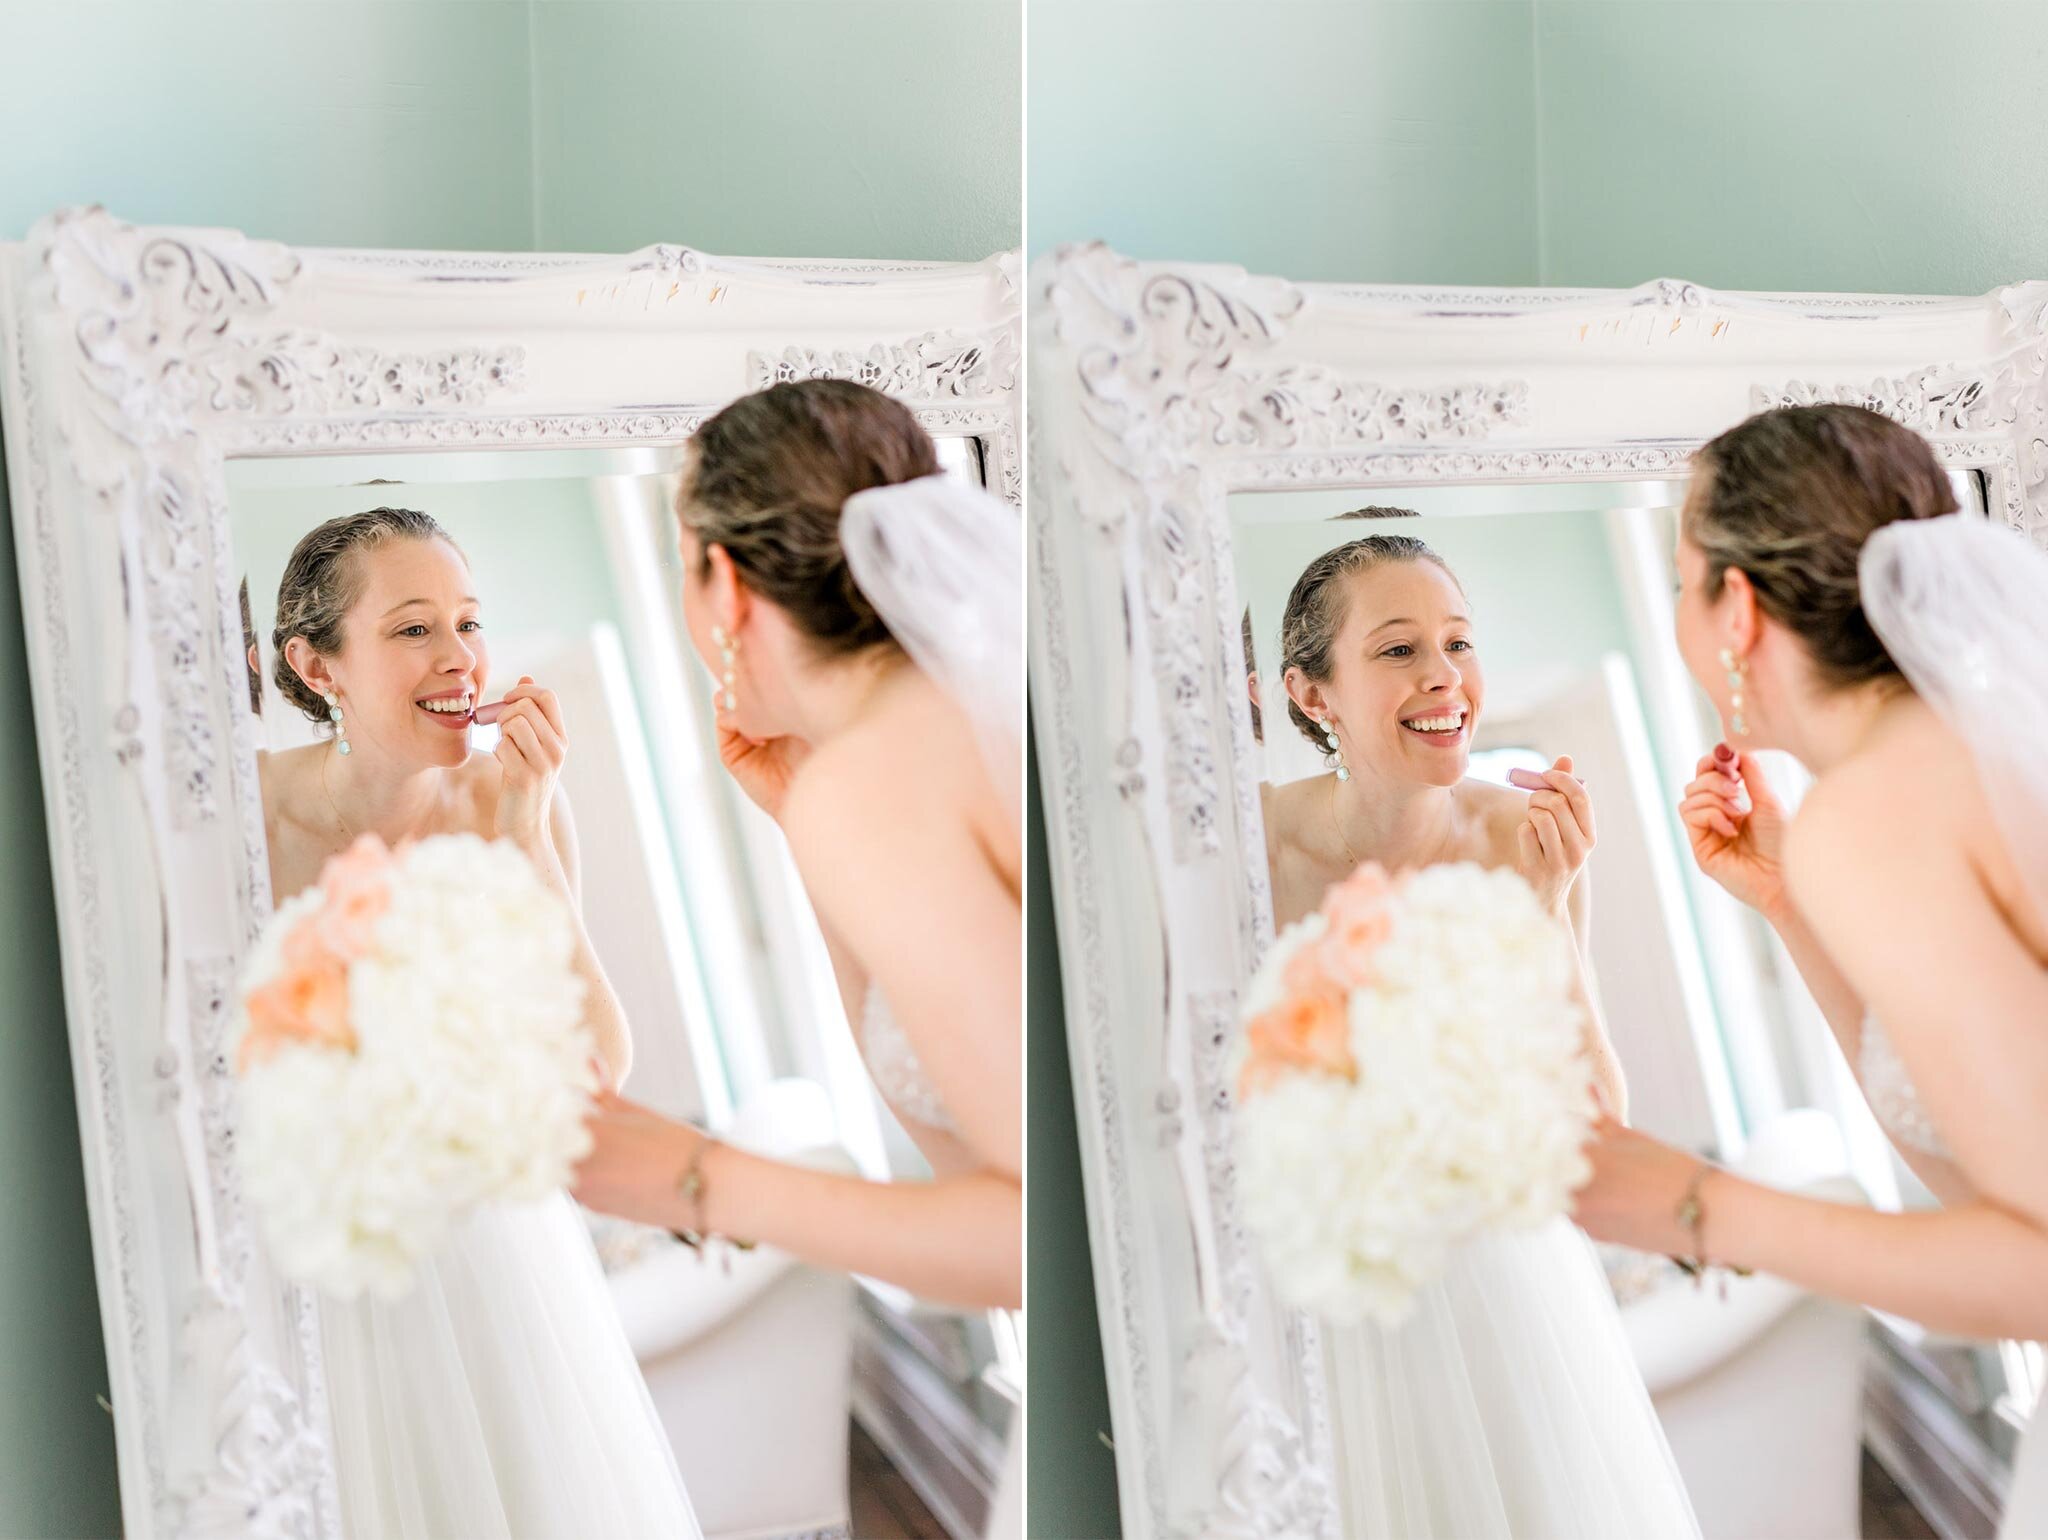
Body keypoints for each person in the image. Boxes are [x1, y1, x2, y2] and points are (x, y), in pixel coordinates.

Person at [1572, 403, 2048, 1537]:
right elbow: (1985, 1177)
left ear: (1732, 610)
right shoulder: (1960, 758)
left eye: (1684, 577)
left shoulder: (1872, 807)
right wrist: (1790, 903)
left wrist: (1693, 1204)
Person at [568, 380, 1023, 1537]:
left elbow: (1031, 1236)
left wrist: (699, 1178)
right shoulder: (914, 738)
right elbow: (960, 1136)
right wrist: (793, 827)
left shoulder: (871, 780)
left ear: (722, 581)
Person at [260, 505, 699, 1537]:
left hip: (498, 1265)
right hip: (314, 1276)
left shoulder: (513, 802)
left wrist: (525, 827)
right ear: (317, 666)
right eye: (413, 628)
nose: (458, 655)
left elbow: (594, 1066)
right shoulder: (242, 820)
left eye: (469, 621)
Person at [1259, 524, 1698, 1537]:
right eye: (1398, 648)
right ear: (1310, 693)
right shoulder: (1248, 841)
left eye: (1458, 642)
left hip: (1503, 1286)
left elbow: (1595, 1119)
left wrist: (1544, 909)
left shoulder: (1515, 832)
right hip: (1320, 1293)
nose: (1443, 676)